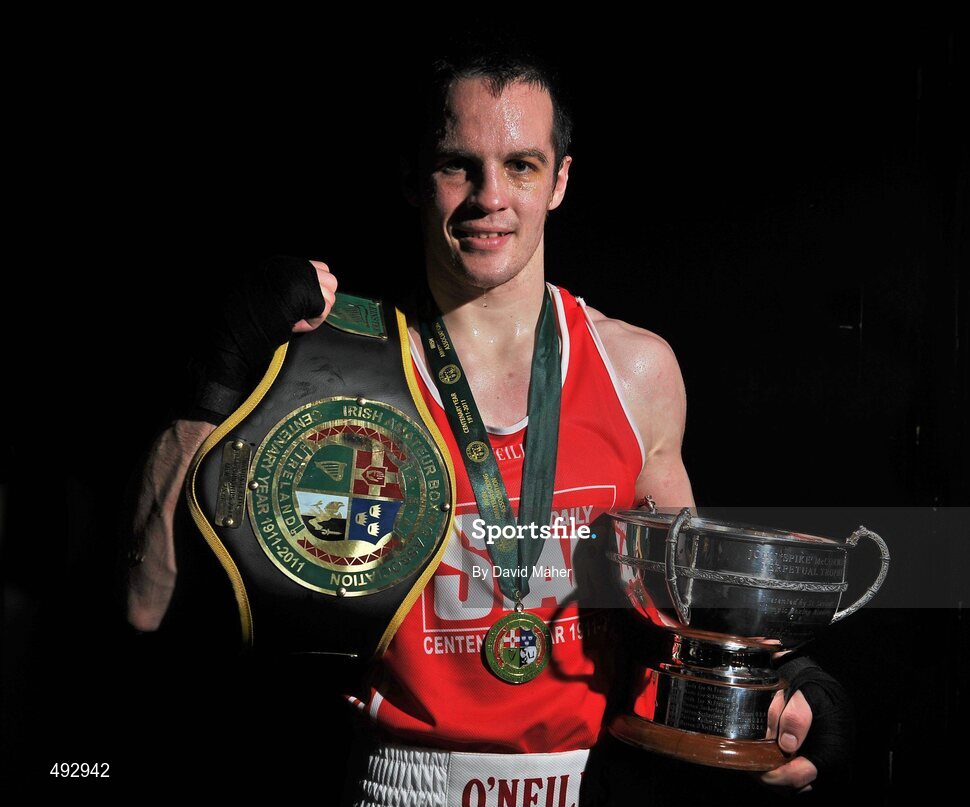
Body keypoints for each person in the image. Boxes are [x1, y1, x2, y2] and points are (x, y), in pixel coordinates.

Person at [127, 46, 845, 805]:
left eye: (523, 165)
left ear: (561, 180)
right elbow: (145, 605)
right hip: (393, 782)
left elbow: (680, 616)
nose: (490, 197)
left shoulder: (636, 372)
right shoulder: (332, 367)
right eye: (458, 165)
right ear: (413, 177)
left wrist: (789, 682)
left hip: (582, 784)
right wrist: (214, 379)